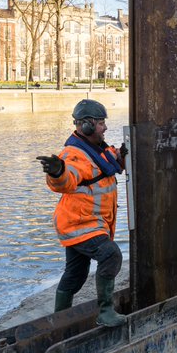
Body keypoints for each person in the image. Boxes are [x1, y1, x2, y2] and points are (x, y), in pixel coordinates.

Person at [36, 99, 127, 327]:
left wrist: (121, 155)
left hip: (83, 223)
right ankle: (105, 312)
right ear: (86, 126)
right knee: (111, 255)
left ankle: (59, 319)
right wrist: (57, 172)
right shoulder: (74, 155)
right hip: (82, 225)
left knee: (75, 274)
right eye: (101, 123)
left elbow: (108, 160)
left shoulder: (96, 149)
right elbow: (67, 179)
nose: (105, 127)